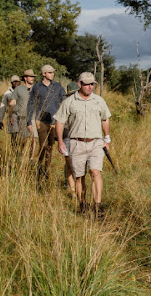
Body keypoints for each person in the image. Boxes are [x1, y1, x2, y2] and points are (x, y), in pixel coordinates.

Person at [56, 72, 111, 217]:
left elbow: (105, 119)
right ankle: (83, 204)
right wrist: (60, 141)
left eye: (92, 84)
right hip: (76, 143)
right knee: (79, 176)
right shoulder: (69, 102)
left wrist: (107, 138)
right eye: (86, 84)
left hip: (96, 143)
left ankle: (98, 207)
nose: (90, 87)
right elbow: (60, 121)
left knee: (95, 172)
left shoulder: (99, 101)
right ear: (79, 84)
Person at [26, 64, 66, 184]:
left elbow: (64, 102)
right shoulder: (37, 87)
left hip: (55, 121)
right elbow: (31, 104)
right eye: (50, 72)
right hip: (40, 120)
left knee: (50, 147)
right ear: (44, 74)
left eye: (53, 72)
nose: (52, 74)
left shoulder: (58, 86)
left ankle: (47, 170)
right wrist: (29, 121)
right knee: (43, 145)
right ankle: (39, 165)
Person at [8, 69, 36, 160]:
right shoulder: (19, 89)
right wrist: (11, 116)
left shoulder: (36, 88)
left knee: (33, 139)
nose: (32, 78)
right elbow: (11, 103)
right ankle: (21, 154)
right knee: (23, 139)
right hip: (22, 117)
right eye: (30, 77)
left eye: (33, 77)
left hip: (33, 117)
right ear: (25, 78)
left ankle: (31, 159)